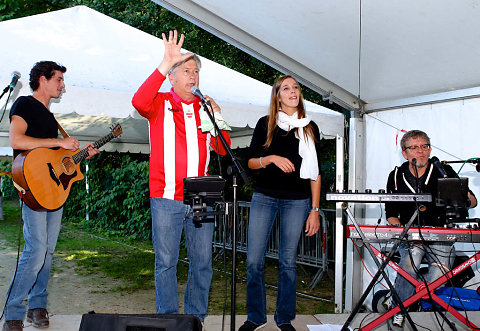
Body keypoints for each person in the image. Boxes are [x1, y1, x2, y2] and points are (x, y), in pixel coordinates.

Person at [131, 30, 231, 322]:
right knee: (166, 263)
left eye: (196, 71)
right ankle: (168, 321)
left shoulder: (204, 108)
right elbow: (138, 101)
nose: (193, 76)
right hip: (166, 198)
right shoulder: (159, 102)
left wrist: (218, 115)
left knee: (202, 263)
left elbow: (224, 151)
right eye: (186, 70)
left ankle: (195, 320)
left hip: (201, 197)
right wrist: (165, 62)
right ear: (172, 77)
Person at [3, 61, 99, 331]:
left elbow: (53, 160)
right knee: (35, 252)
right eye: (58, 79)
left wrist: (77, 156)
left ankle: (37, 306)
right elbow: (17, 141)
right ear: (42, 79)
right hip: (32, 190)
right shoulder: (24, 104)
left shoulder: (48, 115)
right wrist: (58, 142)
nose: (62, 85)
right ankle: (12, 313)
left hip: (53, 191)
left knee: (47, 252)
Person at [239, 75, 322, 331]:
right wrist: (271, 158)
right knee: (254, 260)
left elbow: (316, 172)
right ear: (277, 95)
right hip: (264, 197)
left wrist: (315, 211)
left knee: (288, 262)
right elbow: (250, 162)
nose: (292, 91)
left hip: (297, 201)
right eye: (286, 88)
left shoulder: (309, 127)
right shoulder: (266, 124)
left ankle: (284, 318)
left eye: (296, 87)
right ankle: (256, 316)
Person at [384, 129, 477, 330]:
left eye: (424, 146)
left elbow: (472, 201)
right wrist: (401, 231)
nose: (421, 151)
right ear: (404, 153)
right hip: (411, 235)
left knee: (440, 275)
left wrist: (464, 199)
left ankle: (402, 298)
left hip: (441, 233)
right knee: (410, 263)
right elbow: (391, 213)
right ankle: (400, 310)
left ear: (430, 149)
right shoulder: (397, 175)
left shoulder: (443, 171)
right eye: (414, 147)